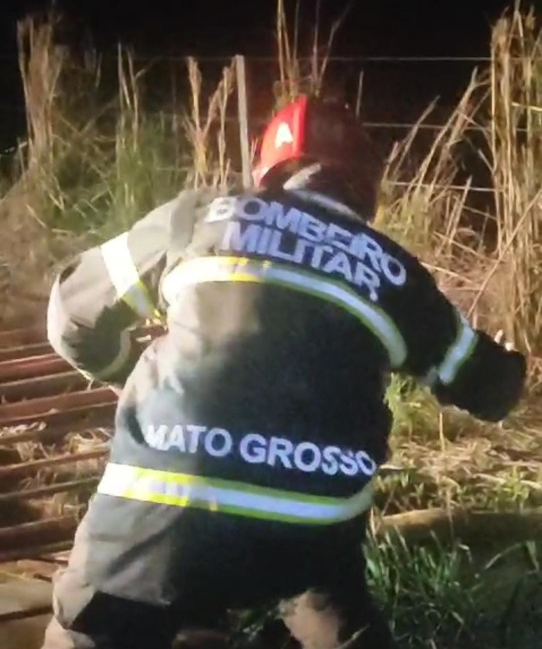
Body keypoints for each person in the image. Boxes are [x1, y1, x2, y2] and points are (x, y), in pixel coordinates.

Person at [41, 95, 526, 649]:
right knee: (329, 603)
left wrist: (126, 372)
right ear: (366, 183)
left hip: (155, 517)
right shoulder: (395, 273)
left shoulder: (201, 215)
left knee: (95, 621)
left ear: (266, 169)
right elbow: (490, 390)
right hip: (308, 537)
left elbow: (71, 316)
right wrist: (513, 367)